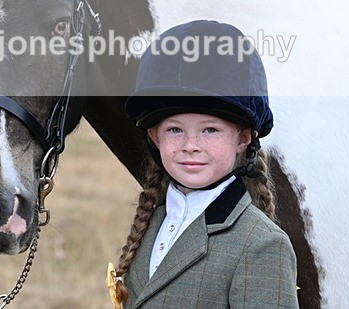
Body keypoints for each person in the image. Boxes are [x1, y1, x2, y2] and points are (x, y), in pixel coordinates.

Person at [107, 20, 299, 308]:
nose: (190, 145)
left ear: (243, 138)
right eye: (175, 129)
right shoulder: (152, 224)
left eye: (210, 130)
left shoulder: (263, 245)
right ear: (155, 137)